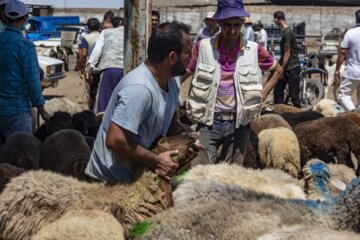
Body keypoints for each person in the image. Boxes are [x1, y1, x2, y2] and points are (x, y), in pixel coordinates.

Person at [85, 21, 194, 183]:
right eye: (188, 52)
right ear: (172, 57)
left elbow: (171, 125)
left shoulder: (172, 81)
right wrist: (157, 161)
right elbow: (115, 141)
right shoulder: (139, 89)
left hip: (138, 177)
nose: (191, 57)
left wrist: (189, 142)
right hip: (110, 184)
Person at [183, 0, 283, 165]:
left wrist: (262, 95)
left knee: (232, 174)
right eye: (227, 25)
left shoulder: (254, 50)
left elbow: (277, 70)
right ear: (219, 23)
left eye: (236, 25)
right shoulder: (202, 47)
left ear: (242, 23)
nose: (232, 30)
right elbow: (185, 73)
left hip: (238, 123)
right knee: (199, 169)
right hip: (208, 121)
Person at [0, 0, 50, 150]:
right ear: (25, 18)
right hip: (17, 112)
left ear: (5, 17)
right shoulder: (25, 45)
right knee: (19, 158)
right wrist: (42, 110)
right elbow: (33, 83)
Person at [87, 16, 124, 114]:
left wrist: (90, 66)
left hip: (109, 70)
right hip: (130, 72)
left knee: (104, 108)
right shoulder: (136, 33)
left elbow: (97, 51)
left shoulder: (106, 32)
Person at [273, 10, 301, 108]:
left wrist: (281, 70)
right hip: (285, 67)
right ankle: (280, 114)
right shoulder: (283, 32)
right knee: (277, 93)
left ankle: (299, 117)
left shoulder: (288, 32)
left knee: (294, 97)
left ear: (276, 20)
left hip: (292, 67)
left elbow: (287, 54)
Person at [335, 9, 360, 111]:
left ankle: (353, 113)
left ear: (356, 19)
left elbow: (342, 53)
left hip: (352, 72)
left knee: (343, 95)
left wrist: (337, 69)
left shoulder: (350, 33)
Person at [78, 18, 101, 109]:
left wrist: (79, 67)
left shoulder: (86, 38)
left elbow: (83, 54)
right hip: (103, 67)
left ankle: (92, 113)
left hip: (91, 68)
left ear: (88, 27)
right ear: (99, 26)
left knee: (91, 92)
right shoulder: (103, 36)